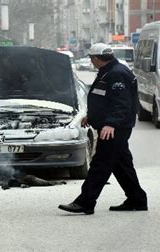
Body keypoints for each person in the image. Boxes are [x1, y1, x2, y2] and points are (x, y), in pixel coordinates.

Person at [58, 43, 147, 215]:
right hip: (112, 126)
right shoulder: (109, 71)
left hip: (115, 128)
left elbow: (121, 103)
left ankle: (85, 202)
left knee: (101, 164)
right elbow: (103, 99)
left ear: (96, 59)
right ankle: (137, 199)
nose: (91, 61)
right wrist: (92, 116)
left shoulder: (117, 74)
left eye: (92, 58)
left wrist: (111, 123)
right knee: (121, 165)